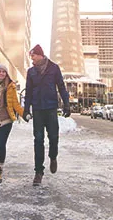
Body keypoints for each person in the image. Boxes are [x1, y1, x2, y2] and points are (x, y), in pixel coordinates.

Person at [23, 44, 71, 186]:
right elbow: (28, 92)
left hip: (51, 108)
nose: (32, 58)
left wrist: (66, 104)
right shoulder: (31, 71)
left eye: (33, 55)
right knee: (38, 140)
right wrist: (26, 109)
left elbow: (61, 86)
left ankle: (53, 157)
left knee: (54, 137)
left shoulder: (54, 68)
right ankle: (38, 172)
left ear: (40, 55)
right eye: (31, 56)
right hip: (37, 109)